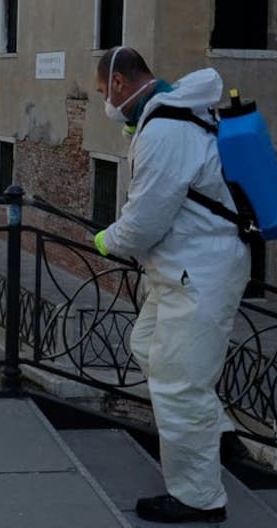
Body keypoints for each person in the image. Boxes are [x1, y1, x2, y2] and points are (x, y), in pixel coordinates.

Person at [92, 46, 250, 524]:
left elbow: (143, 223)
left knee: (180, 386)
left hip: (197, 272)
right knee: (147, 344)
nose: (105, 102)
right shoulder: (175, 114)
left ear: (119, 83)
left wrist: (106, 239)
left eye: (103, 93)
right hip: (183, 270)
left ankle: (199, 499)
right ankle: (217, 430)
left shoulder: (164, 129)